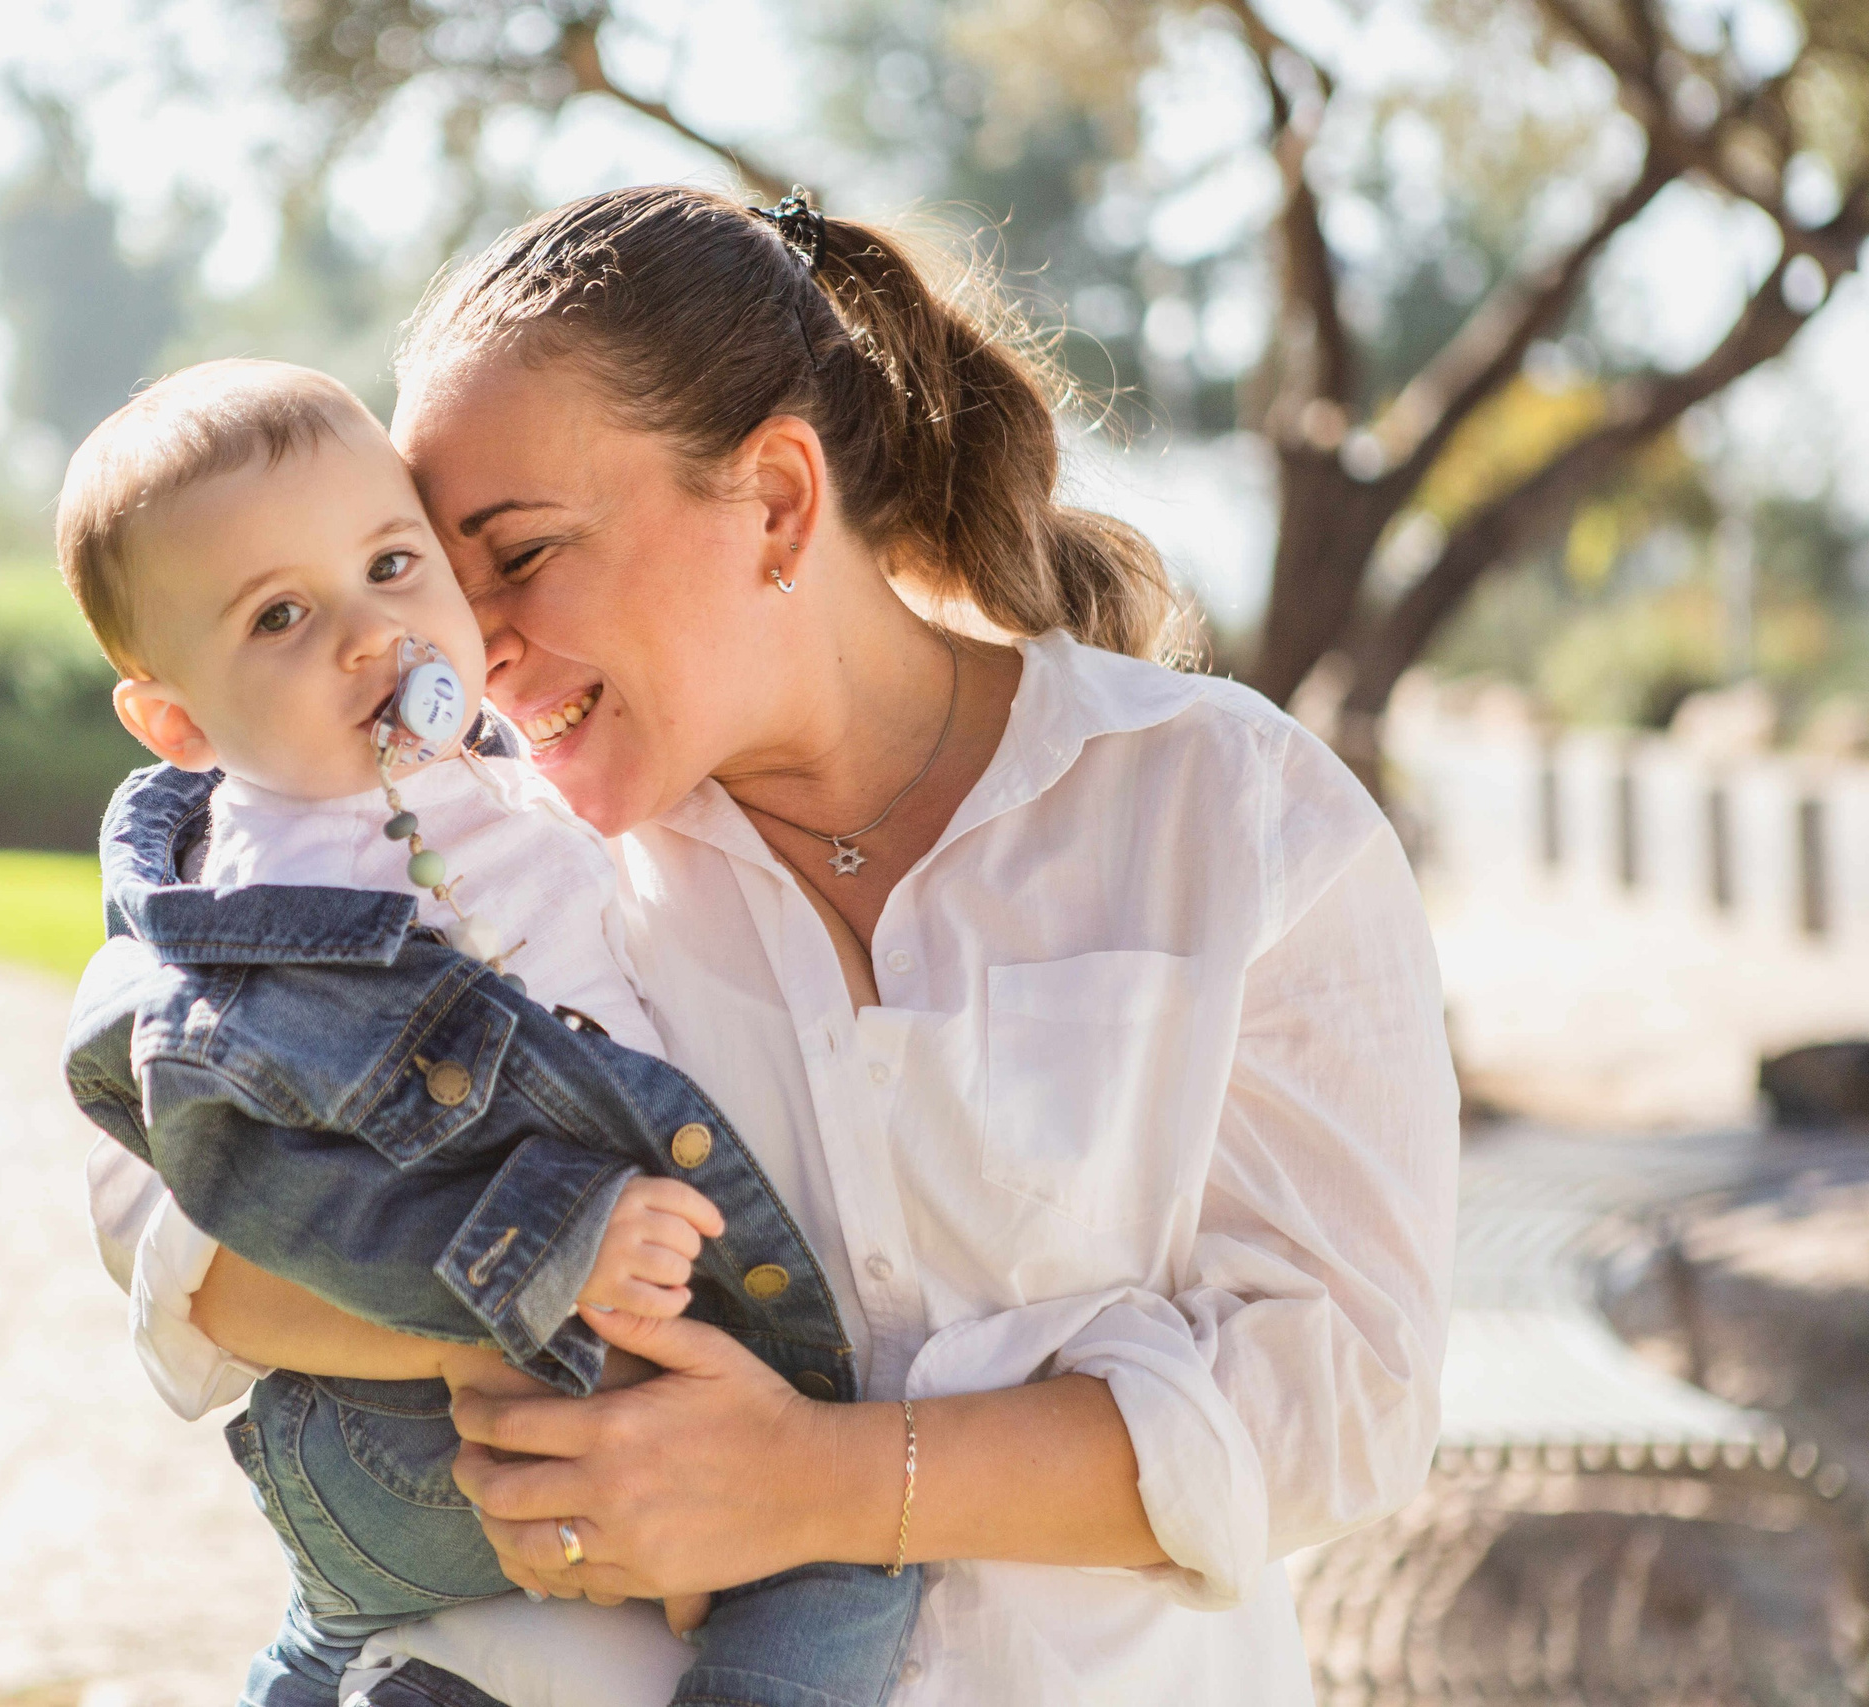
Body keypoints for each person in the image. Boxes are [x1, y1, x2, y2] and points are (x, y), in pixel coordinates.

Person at [91, 185, 1460, 1706]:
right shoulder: (488, 843)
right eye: (439, 567)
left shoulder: (1234, 811)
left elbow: (1346, 1403)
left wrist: (820, 1482)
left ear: (781, 501)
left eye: (522, 554)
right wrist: (525, 1301)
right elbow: (171, 1247)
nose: (462, 647)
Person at [57, 358, 923, 1707]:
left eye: (393, 566)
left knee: (341, 1646)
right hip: (419, 1420)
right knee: (842, 1568)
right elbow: (265, 1193)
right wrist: (552, 1251)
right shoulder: (256, 919)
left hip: (443, 1442)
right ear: (176, 719)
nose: (366, 635)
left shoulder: (512, 792)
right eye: (279, 615)